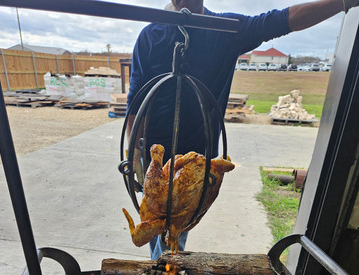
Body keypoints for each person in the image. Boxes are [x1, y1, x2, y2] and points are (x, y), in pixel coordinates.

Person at [126, 0, 358, 260]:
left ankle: (164, 270)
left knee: (177, 226)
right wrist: (133, 151)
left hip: (198, 160)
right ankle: (163, 270)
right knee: (154, 221)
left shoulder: (225, 30)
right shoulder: (150, 35)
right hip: (156, 155)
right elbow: (136, 101)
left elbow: (281, 20)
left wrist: (342, 2)